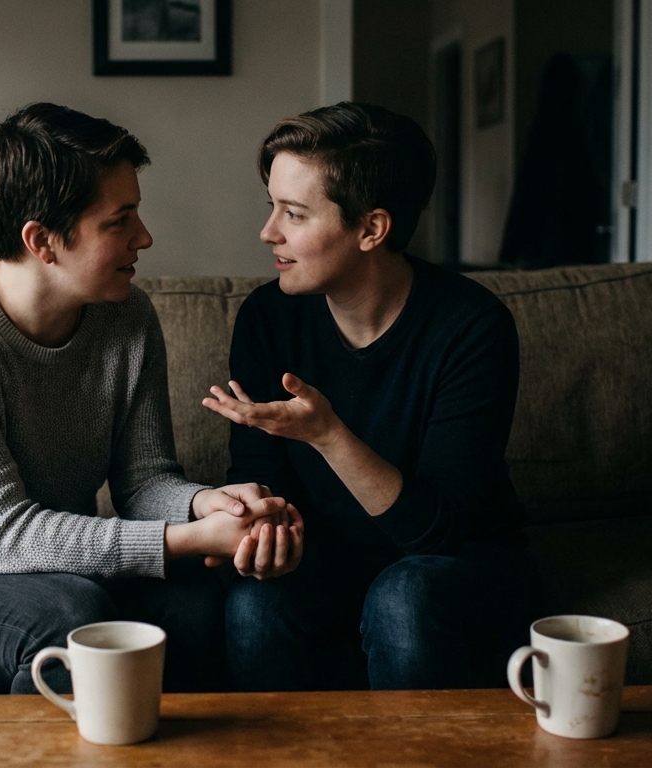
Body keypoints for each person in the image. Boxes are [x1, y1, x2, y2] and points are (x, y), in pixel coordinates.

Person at [0, 103, 303, 695]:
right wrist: (186, 541)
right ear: (42, 240)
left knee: (209, 600)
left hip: (36, 558)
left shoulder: (126, 315)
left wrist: (210, 507)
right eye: (120, 220)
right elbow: (2, 535)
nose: (145, 237)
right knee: (67, 616)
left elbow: (143, 483)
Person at [202, 102, 542, 691]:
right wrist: (260, 525)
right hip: (326, 558)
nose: (268, 233)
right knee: (255, 605)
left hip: (452, 561)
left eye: (296, 214)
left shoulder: (471, 326)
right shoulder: (267, 319)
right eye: (271, 206)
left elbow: (440, 529)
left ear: (371, 229)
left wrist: (329, 436)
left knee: (404, 595)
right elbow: (259, 474)